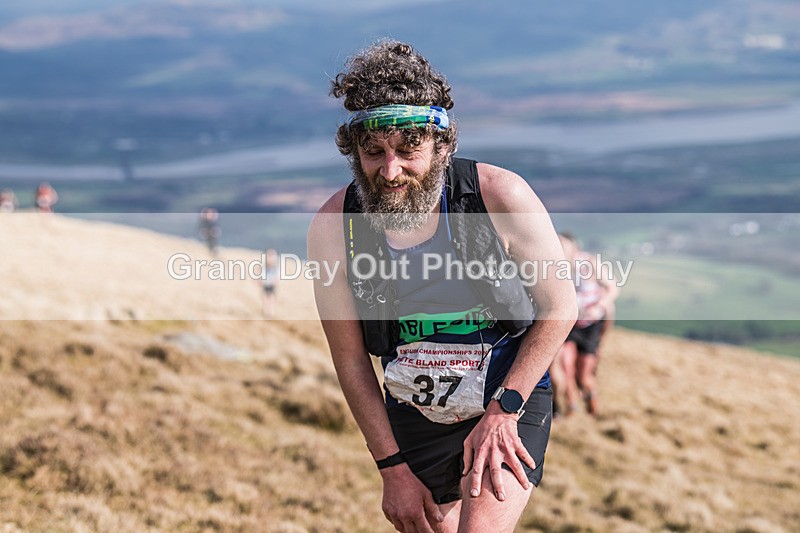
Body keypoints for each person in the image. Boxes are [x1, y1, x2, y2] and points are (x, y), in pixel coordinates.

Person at [307, 40, 577, 533]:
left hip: (507, 394)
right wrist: (391, 469)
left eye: (408, 152)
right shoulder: (334, 226)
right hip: (413, 409)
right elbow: (349, 360)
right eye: (374, 153)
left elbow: (560, 307)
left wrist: (505, 410)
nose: (391, 171)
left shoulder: (498, 196)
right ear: (355, 152)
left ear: (443, 145)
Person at [550, 232, 619, 417]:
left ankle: (590, 395)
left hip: (591, 324)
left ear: (574, 248)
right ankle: (571, 404)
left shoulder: (589, 263)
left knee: (583, 375)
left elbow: (612, 288)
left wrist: (599, 306)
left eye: (563, 245)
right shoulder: (553, 268)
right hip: (569, 323)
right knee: (564, 363)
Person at [260, 248, 279, 318]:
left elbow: (277, 275)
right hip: (266, 283)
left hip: (271, 284)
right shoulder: (265, 266)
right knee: (266, 298)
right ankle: (266, 312)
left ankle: (270, 313)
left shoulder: (274, 267)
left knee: (271, 298)